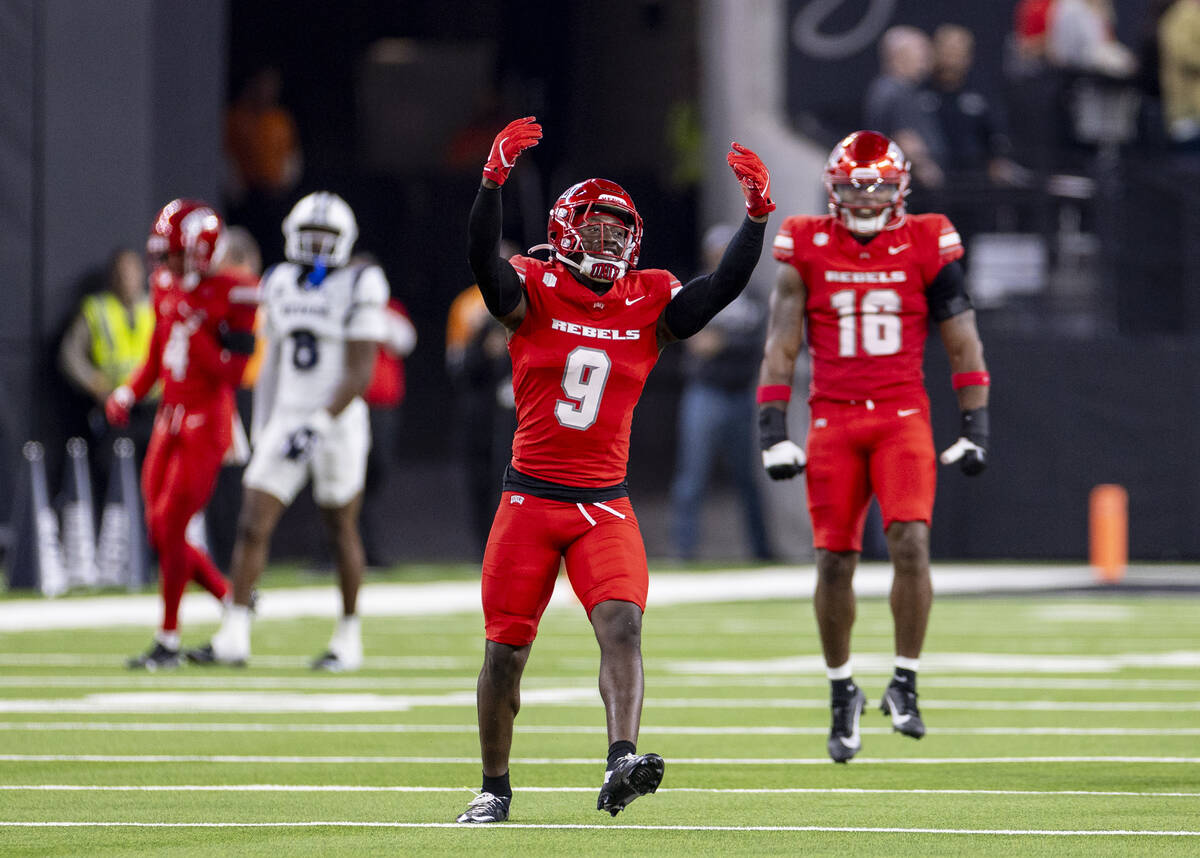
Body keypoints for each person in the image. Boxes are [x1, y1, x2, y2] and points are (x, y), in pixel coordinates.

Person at [455, 116, 774, 824]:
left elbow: (718, 289)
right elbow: (483, 259)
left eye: (617, 232)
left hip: (603, 503)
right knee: (505, 654)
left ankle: (621, 760)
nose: (608, 243)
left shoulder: (649, 299)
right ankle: (493, 787)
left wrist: (755, 219)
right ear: (565, 232)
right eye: (595, 231)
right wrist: (492, 180)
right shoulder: (532, 287)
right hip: (530, 501)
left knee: (623, 624)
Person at [757, 130, 990, 763]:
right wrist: (772, 431)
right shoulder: (805, 240)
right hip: (832, 418)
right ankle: (842, 689)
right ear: (833, 191)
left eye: (878, 187)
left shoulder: (927, 237)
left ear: (901, 190)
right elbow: (781, 343)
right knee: (834, 560)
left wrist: (976, 425)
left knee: (911, 540)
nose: (865, 199)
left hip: (901, 415)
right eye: (854, 188)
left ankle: (905, 680)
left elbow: (961, 337)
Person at [188, 191, 388, 672]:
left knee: (340, 525)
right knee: (252, 521)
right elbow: (272, 360)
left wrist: (318, 423)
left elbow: (360, 371)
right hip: (289, 415)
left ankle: (348, 638)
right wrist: (263, 426)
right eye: (310, 236)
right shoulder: (277, 281)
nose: (317, 247)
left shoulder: (362, 281)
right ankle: (234, 634)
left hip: (338, 421)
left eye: (327, 238)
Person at [107, 199, 259, 669]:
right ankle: (230, 595)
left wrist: (199, 337)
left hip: (207, 419)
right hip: (168, 415)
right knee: (159, 529)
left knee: (172, 525)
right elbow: (156, 353)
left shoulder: (236, 291)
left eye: (175, 253)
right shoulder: (165, 282)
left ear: (202, 251)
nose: (167, 263)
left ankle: (168, 639)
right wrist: (130, 392)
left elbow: (234, 374)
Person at [669, 223, 773, 562]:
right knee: (691, 476)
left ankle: (762, 551)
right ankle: (683, 551)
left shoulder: (752, 294)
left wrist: (723, 342)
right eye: (715, 248)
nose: (720, 254)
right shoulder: (698, 288)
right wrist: (704, 342)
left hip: (741, 393)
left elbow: (760, 343)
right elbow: (682, 334)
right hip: (705, 391)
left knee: (748, 479)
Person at [446, 241, 520, 558]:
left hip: (516, 404)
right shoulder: (469, 305)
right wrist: (482, 349)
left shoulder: (527, 297)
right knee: (480, 478)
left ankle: (513, 548)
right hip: (479, 402)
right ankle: (485, 550)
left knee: (511, 480)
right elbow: (457, 364)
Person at [58, 247, 156, 475]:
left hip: (152, 406)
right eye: (121, 273)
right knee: (111, 466)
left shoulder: (155, 307)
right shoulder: (97, 309)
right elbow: (69, 354)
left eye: (132, 272)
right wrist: (93, 382)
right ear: (112, 276)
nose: (127, 279)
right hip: (116, 405)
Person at [863, 26, 946, 190]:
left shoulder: (901, 89)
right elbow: (904, 137)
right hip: (911, 184)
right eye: (921, 54)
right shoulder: (896, 91)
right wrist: (924, 166)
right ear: (899, 55)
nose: (927, 60)